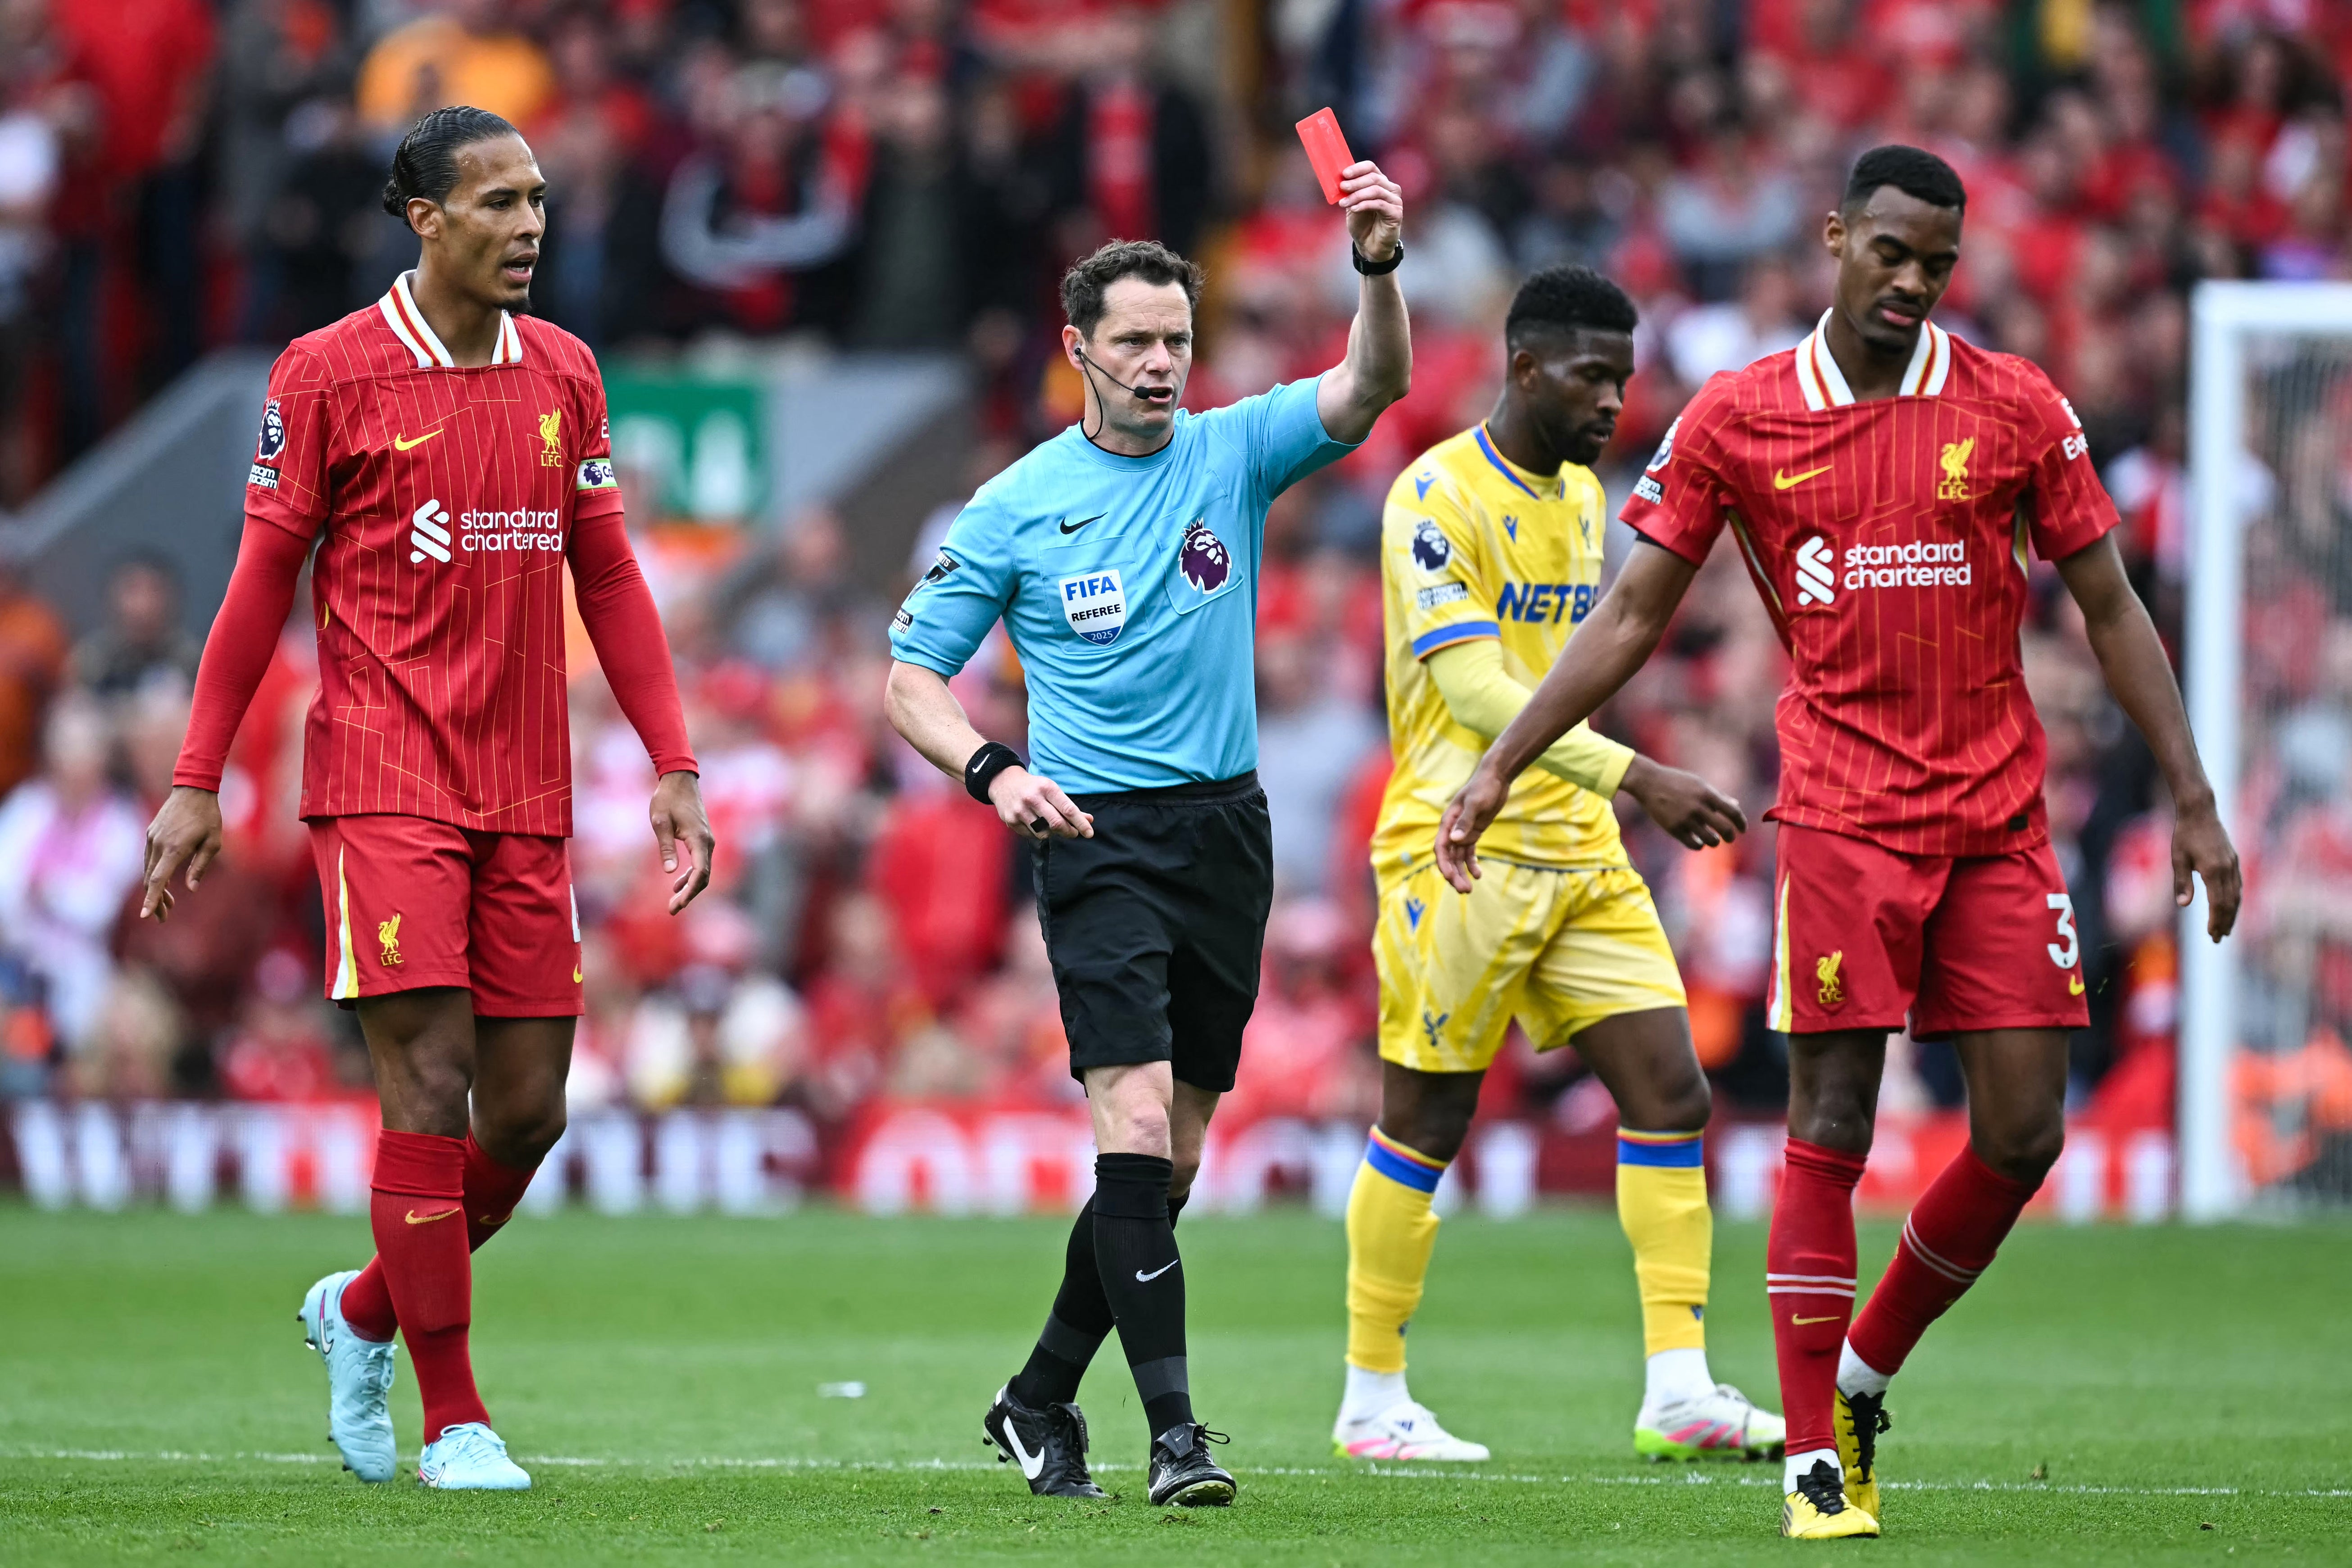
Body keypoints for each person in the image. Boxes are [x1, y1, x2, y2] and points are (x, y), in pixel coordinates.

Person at [1434, 146, 2240, 1540]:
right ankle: (1819, 1464)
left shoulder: (2015, 405)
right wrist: (1503, 761)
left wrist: (2193, 795)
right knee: (1833, 1123)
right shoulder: (1742, 416)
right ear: (1835, 238)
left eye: (1938, 262)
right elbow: (1630, 618)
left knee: (2026, 1129)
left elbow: (2109, 606)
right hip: (1844, 820)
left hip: (1995, 817)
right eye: (1892, 253)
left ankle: (1860, 1374)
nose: (1914, 283)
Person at [138, 106, 713, 1493]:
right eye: (501, 202)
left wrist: (675, 763)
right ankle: (454, 1417)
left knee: (525, 1115)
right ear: (426, 220)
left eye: (538, 201)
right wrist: (195, 779)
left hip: (527, 786)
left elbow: (613, 580)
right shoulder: (329, 373)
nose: (531, 225)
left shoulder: (565, 372)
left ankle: (360, 1310)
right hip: (384, 778)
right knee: (430, 1083)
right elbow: (257, 588)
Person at [883, 169, 1410, 1508]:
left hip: (1227, 831)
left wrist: (1376, 269)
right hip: (1092, 830)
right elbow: (907, 680)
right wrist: (994, 771)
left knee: (1167, 1158)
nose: (1162, 362)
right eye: (1134, 340)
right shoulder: (1013, 505)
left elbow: (1367, 391)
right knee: (1126, 1117)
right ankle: (1178, 1434)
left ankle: (1036, 1396)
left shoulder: (1234, 449)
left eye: (1176, 338)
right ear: (1078, 351)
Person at [1337, 264, 1780, 1466]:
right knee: (1425, 1118)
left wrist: (1609, 792)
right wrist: (1641, 775)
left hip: (1577, 851)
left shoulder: (1587, 495)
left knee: (1673, 1093)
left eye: (1625, 380)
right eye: (1593, 376)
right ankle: (1371, 1396)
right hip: (1458, 848)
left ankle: (1679, 1386)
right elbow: (1474, 688)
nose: (1613, 401)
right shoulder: (1435, 496)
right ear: (1524, 365)